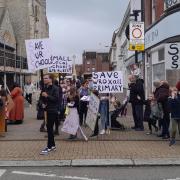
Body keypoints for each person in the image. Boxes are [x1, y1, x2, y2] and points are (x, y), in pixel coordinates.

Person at [40, 74, 59, 155]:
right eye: (44, 78)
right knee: (49, 128)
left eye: (46, 78)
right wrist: (42, 104)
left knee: (49, 128)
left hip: (52, 110)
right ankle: (53, 145)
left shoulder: (55, 88)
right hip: (46, 111)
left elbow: (56, 99)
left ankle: (49, 146)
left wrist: (47, 96)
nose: (44, 79)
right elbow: (41, 99)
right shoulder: (44, 88)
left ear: (51, 79)